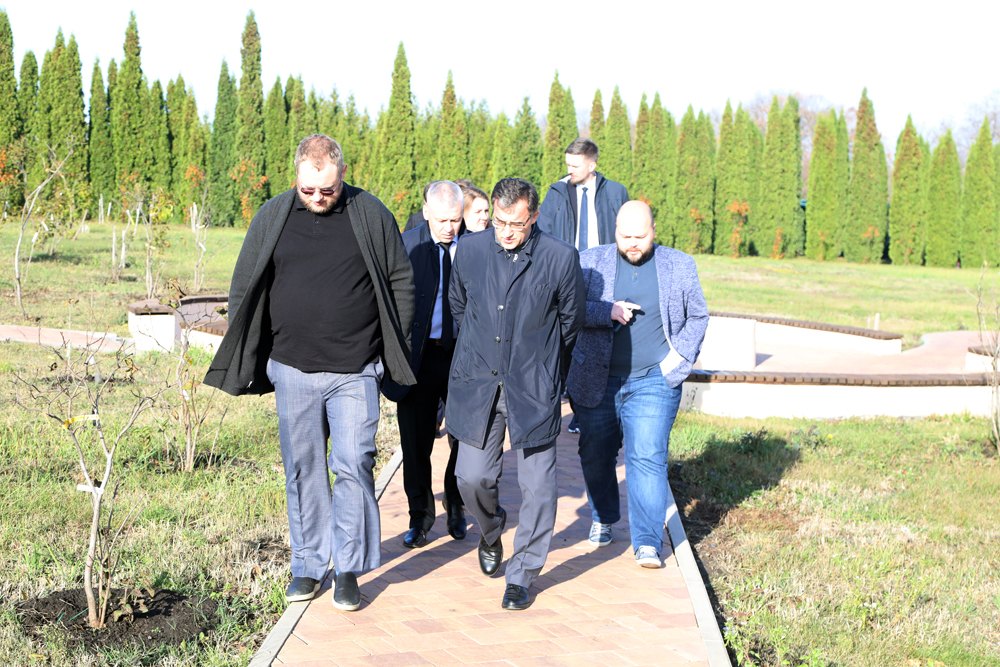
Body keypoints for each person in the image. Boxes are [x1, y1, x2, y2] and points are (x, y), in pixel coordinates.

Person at [204, 134, 416, 611]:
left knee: (355, 464)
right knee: (303, 469)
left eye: (328, 190)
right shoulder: (273, 216)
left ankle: (347, 569)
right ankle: (307, 565)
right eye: (308, 190)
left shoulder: (370, 213)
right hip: (292, 368)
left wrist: (390, 348)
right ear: (296, 175)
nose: (318, 197)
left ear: (343, 175)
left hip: (355, 369)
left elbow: (401, 280)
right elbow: (244, 283)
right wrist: (253, 347)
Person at [447, 178, 584, 610]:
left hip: (532, 388)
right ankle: (491, 531)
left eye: (517, 224)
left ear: (535, 216)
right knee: (471, 478)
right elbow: (459, 308)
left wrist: (542, 367)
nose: (506, 232)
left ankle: (522, 574)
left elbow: (570, 324)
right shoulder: (470, 250)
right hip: (478, 385)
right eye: (500, 222)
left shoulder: (560, 258)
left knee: (539, 488)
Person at [566, 201, 708, 566]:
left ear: (654, 231)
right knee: (596, 454)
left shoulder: (679, 265)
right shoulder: (590, 261)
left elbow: (698, 316)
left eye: (640, 236)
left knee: (647, 456)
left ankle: (647, 542)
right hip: (598, 380)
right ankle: (603, 515)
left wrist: (677, 361)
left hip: (653, 380)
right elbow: (570, 309)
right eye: (625, 236)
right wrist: (608, 310)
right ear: (614, 231)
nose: (632, 243)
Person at [383, 181, 467, 547]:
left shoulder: (474, 248)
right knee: (415, 442)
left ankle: (456, 502)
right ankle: (419, 515)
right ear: (426, 211)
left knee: (465, 437)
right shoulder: (406, 246)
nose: (449, 227)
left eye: (455, 220)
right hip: (417, 357)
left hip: (463, 357)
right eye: (442, 220)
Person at [537, 137, 629, 435]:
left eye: (575, 165)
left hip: (604, 274)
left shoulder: (616, 193)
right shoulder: (555, 193)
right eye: (567, 164)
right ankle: (576, 404)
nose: (570, 170)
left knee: (595, 340)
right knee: (569, 339)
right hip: (568, 272)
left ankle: (587, 410)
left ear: (592, 165)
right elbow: (543, 235)